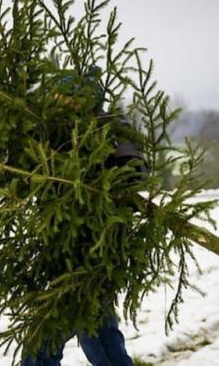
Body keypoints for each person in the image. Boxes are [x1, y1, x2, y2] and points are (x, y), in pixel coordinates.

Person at [21, 67, 143, 366]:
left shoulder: (112, 126)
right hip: (60, 242)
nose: (56, 100)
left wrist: (93, 183)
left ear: (81, 99)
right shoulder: (54, 130)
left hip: (97, 246)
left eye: (63, 95)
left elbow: (133, 173)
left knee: (61, 330)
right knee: (95, 329)